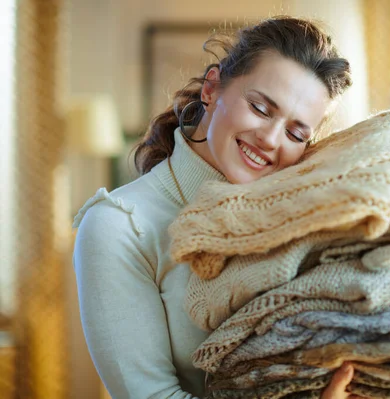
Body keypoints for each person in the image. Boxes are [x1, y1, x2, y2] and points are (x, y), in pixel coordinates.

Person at [73, 15, 367, 399]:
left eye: (296, 133)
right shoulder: (118, 227)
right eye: (261, 108)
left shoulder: (299, 222)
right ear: (212, 88)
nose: (270, 139)